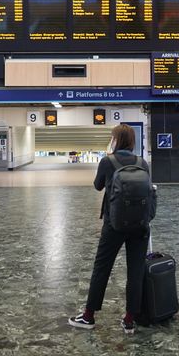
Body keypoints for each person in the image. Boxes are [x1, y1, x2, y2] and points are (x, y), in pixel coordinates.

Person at [69, 124, 150, 334]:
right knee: (136, 271)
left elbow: (98, 186)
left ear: (115, 140)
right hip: (140, 225)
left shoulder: (107, 161)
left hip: (114, 224)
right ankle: (130, 320)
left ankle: (88, 316)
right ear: (132, 141)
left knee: (102, 268)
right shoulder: (143, 163)